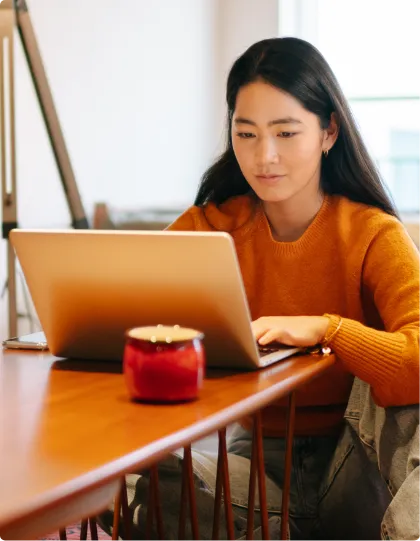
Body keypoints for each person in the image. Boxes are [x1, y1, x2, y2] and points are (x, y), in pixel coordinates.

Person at [100, 37, 420, 541]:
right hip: (257, 471)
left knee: (409, 395)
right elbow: (117, 306)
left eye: (286, 132)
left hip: (359, 466)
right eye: (245, 133)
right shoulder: (211, 229)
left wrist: (328, 330)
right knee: (144, 486)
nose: (264, 155)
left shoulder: (372, 232)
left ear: (328, 131)